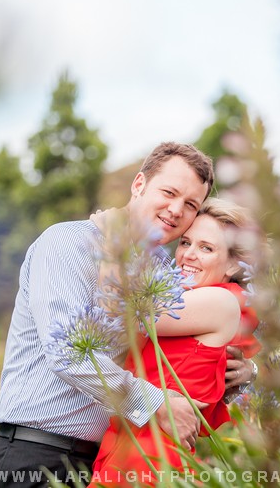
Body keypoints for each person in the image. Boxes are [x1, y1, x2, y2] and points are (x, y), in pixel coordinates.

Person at [0, 143, 256, 487]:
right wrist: (156, 405)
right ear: (139, 184)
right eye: (169, 192)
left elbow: (185, 355)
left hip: (111, 460)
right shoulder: (66, 244)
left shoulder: (161, 271)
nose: (175, 210)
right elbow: (67, 353)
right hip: (38, 455)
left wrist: (245, 370)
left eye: (190, 204)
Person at [88, 197, 263, 487]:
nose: (188, 255)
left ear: (233, 264)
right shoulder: (190, 300)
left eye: (206, 248)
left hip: (153, 455)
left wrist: (111, 245)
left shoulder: (221, 301)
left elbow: (126, 311)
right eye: (185, 243)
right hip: (132, 445)